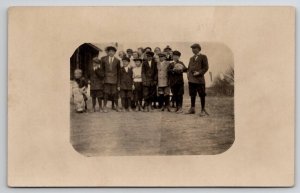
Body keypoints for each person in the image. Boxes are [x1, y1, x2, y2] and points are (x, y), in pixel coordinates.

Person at [186, 43, 209, 116]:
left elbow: (206, 67)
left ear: (199, 49)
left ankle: (203, 110)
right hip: (191, 80)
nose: (193, 50)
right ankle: (192, 109)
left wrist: (199, 73)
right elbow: (189, 68)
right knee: (192, 94)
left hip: (200, 80)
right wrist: (188, 75)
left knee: (202, 95)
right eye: (192, 49)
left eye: (194, 48)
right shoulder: (191, 58)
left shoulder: (203, 57)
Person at [102, 46, 121, 112]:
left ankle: (116, 106)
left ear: (115, 52)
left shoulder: (117, 61)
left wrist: (118, 84)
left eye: (112, 51)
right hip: (106, 80)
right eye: (109, 51)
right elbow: (102, 70)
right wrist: (103, 80)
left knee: (115, 94)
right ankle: (104, 106)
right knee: (106, 93)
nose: (111, 53)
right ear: (108, 52)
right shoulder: (103, 59)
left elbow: (119, 72)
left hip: (114, 80)